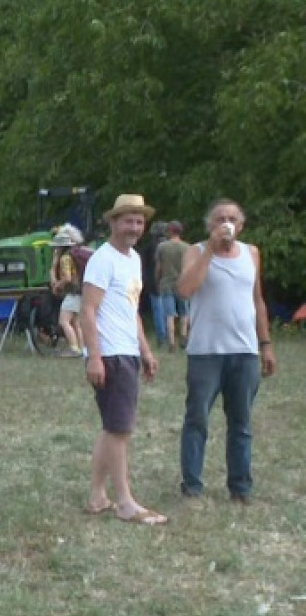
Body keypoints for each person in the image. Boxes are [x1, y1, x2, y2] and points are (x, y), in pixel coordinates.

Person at [175, 200, 277, 503]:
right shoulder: (195, 251)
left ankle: (240, 487)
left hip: (244, 352)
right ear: (210, 224)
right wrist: (210, 249)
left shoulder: (251, 253)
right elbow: (184, 289)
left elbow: (257, 300)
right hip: (205, 352)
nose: (226, 223)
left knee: (241, 423)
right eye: (220, 218)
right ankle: (192, 484)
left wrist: (266, 344)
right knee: (197, 420)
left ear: (241, 225)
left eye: (232, 218)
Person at [79, 194, 164, 525]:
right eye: (127, 220)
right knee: (119, 430)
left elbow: (132, 311)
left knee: (113, 427)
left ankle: (98, 497)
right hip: (110, 354)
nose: (134, 227)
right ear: (112, 222)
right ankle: (126, 502)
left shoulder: (133, 260)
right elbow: (87, 311)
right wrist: (94, 358)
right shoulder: (103, 259)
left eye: (139, 221)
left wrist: (145, 350)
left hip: (127, 351)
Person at [48, 225, 85, 358]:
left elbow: (67, 278)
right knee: (76, 322)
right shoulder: (74, 255)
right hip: (81, 292)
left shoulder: (65, 258)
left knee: (64, 321)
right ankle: (82, 348)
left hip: (73, 293)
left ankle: (74, 348)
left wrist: (58, 285)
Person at [154, 221, 190, 352]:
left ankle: (171, 342)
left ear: (170, 231)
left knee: (169, 314)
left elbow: (159, 267)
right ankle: (184, 337)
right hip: (183, 283)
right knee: (184, 312)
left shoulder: (162, 247)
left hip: (167, 283)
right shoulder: (187, 247)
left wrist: (157, 280)